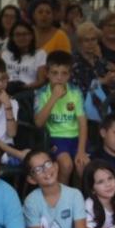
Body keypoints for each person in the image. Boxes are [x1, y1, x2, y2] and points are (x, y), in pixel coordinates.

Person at [34, 50, 88, 183]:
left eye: (64, 73)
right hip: (55, 138)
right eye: (54, 73)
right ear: (47, 74)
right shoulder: (42, 94)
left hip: (75, 138)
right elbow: (39, 123)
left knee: (85, 165)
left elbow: (82, 123)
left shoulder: (75, 92)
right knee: (66, 164)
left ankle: (80, 197)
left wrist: (81, 150)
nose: (59, 77)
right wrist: (53, 98)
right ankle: (62, 197)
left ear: (70, 75)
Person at [1, 20, 47, 93]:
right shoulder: (5, 54)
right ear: (12, 37)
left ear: (31, 36)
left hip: (30, 93)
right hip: (6, 91)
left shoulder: (40, 54)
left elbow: (41, 81)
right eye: (18, 35)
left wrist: (22, 88)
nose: (21, 38)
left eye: (25, 34)